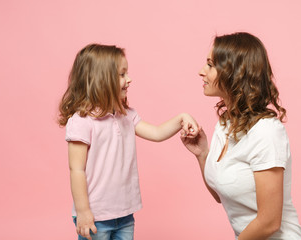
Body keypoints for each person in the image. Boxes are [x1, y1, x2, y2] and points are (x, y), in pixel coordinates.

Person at [58, 44, 199, 240]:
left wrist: (182, 117)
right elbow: (76, 170)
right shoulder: (81, 122)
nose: (129, 79)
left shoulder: (127, 116)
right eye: (122, 74)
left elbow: (157, 133)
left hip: (125, 214)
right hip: (95, 217)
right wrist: (82, 212)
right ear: (102, 80)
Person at [181, 32, 301, 240]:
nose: (201, 72)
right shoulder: (225, 124)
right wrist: (202, 154)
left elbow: (269, 222)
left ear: (234, 73)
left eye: (210, 65)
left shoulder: (266, 132)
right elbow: (221, 195)